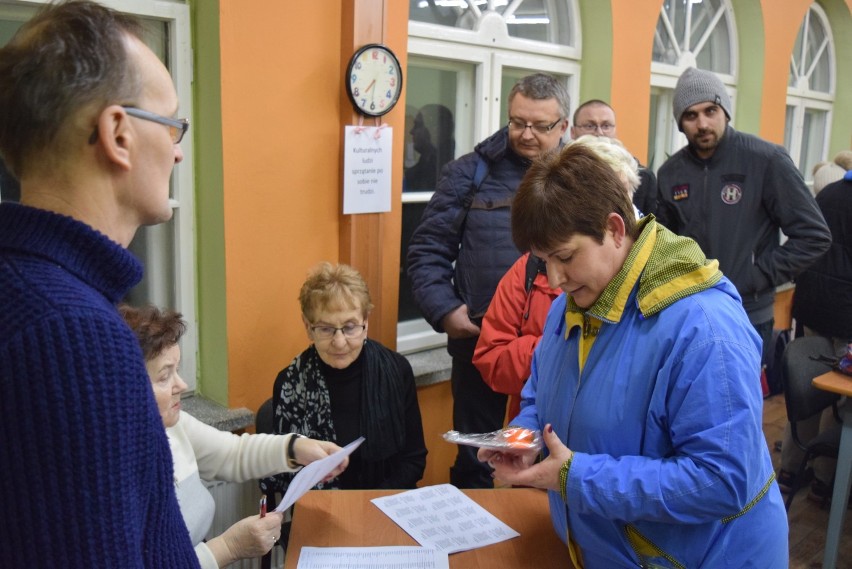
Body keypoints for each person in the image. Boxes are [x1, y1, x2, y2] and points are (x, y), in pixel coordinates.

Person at [478, 143, 789, 568]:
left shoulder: (705, 330)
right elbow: (540, 399)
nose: (554, 278)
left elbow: (720, 482)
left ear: (615, 229)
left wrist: (576, 478)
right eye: (543, 261)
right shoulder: (568, 306)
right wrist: (524, 438)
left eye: (566, 257)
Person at [0, 2, 198, 567]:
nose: (179, 148)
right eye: (172, 123)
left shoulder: (28, 291)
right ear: (118, 133)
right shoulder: (71, 336)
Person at [407, 73, 570, 488]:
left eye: (540, 126)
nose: (527, 134)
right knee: (477, 458)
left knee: (545, 456)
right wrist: (445, 310)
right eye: (518, 122)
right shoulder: (469, 173)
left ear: (564, 126)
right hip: (478, 344)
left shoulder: (581, 180)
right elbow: (427, 250)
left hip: (559, 349)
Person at [119, 304, 346, 569]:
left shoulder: (171, 425)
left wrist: (295, 448)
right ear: (125, 387)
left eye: (177, 371)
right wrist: (229, 547)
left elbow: (232, 454)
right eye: (164, 376)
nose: (181, 385)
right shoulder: (111, 472)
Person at [656, 67, 831, 372]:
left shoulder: (766, 160)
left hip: (746, 311)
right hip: (690, 312)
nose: (703, 123)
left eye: (711, 110)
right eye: (691, 115)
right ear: (680, 124)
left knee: (739, 403)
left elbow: (814, 235)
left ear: (725, 110)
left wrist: (756, 277)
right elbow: (665, 245)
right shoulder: (671, 173)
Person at [473, 135, 640, 421]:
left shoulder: (675, 300)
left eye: (616, 192)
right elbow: (494, 360)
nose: (555, 280)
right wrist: (561, 349)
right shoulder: (531, 270)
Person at [261, 262, 427, 497]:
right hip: (320, 507)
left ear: (365, 324)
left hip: (387, 502)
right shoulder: (289, 382)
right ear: (308, 328)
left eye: (350, 328)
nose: (339, 342)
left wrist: (368, 505)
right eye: (326, 329)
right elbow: (285, 471)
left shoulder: (396, 370)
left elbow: (413, 459)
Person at [779, 153, 852, 501]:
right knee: (841, 398)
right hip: (846, 315)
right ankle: (826, 481)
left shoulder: (828, 193)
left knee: (805, 391)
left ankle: (791, 470)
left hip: (812, 304)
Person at [570, 99, 657, 215]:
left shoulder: (642, 177)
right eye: (590, 126)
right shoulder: (561, 173)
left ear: (615, 131)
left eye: (606, 126)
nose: (599, 132)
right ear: (572, 132)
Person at [404, 103, 455, 191]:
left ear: (435, 130)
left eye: (418, 125)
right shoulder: (427, 159)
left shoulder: (451, 165)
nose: (411, 132)